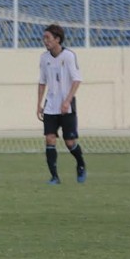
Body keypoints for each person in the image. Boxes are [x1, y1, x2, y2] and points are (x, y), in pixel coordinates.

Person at [37, 24, 86, 185]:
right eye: (44, 38)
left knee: (69, 142)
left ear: (57, 39)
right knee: (49, 139)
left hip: (66, 105)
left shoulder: (69, 56)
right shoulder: (44, 58)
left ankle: (80, 164)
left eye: (48, 38)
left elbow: (77, 79)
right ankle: (54, 177)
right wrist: (39, 104)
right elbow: (42, 82)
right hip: (50, 105)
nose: (45, 41)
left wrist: (67, 100)